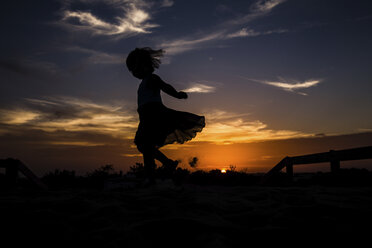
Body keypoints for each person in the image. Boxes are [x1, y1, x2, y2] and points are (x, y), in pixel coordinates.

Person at [126, 47, 205, 183]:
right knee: (145, 146)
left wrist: (177, 94)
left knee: (145, 145)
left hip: (155, 116)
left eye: (136, 69)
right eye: (132, 71)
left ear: (145, 66)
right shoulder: (143, 83)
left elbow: (165, 86)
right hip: (146, 118)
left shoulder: (152, 78)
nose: (135, 73)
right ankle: (165, 165)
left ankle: (151, 175)